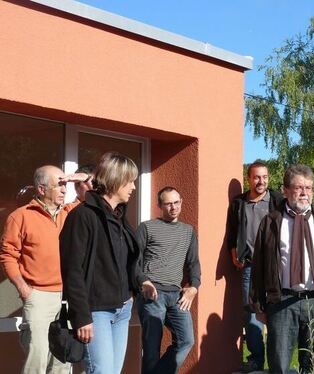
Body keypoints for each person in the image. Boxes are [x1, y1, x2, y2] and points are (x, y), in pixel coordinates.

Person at [250, 164, 314, 373]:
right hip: (282, 303)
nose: (305, 193)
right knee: (279, 365)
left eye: (309, 188)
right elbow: (259, 267)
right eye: (299, 188)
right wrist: (259, 304)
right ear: (286, 190)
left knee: (313, 365)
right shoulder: (270, 222)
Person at [0, 165, 88, 374]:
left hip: (69, 296)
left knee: (62, 360)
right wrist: (23, 288)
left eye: (66, 186)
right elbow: (8, 255)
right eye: (60, 185)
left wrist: (80, 178)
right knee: (37, 358)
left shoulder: (71, 213)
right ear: (41, 189)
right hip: (38, 296)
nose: (65, 190)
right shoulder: (20, 217)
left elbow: (95, 194)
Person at [60, 152, 142, 374]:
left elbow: (126, 261)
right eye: (130, 181)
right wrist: (82, 316)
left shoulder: (118, 217)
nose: (134, 187)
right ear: (116, 179)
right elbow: (72, 270)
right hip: (96, 312)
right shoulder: (82, 216)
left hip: (123, 308)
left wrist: (141, 283)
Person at [225, 161, 283, 372]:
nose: (261, 181)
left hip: (275, 266)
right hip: (249, 265)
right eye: (257, 177)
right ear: (248, 178)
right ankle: (257, 359)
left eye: (265, 177)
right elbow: (232, 231)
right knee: (251, 312)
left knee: (277, 310)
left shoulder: (277, 200)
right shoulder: (239, 203)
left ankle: (278, 360)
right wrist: (233, 252)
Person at [136, 186, 201, 374]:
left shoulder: (188, 231)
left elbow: (193, 263)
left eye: (176, 202)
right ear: (159, 205)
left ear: (181, 202)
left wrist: (194, 287)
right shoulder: (147, 227)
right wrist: (143, 281)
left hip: (176, 294)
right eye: (168, 204)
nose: (173, 207)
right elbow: (134, 260)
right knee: (151, 349)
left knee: (186, 340)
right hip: (153, 293)